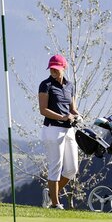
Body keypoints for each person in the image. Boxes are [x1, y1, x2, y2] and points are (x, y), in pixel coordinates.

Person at [38, 54, 80, 209]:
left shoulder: (70, 86)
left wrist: (77, 115)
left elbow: (73, 108)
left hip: (68, 130)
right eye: (51, 69)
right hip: (52, 129)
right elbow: (43, 110)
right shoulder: (45, 85)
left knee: (72, 169)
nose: (53, 72)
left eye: (56, 69)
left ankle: (50, 193)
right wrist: (63, 117)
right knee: (56, 166)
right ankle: (55, 204)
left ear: (64, 68)